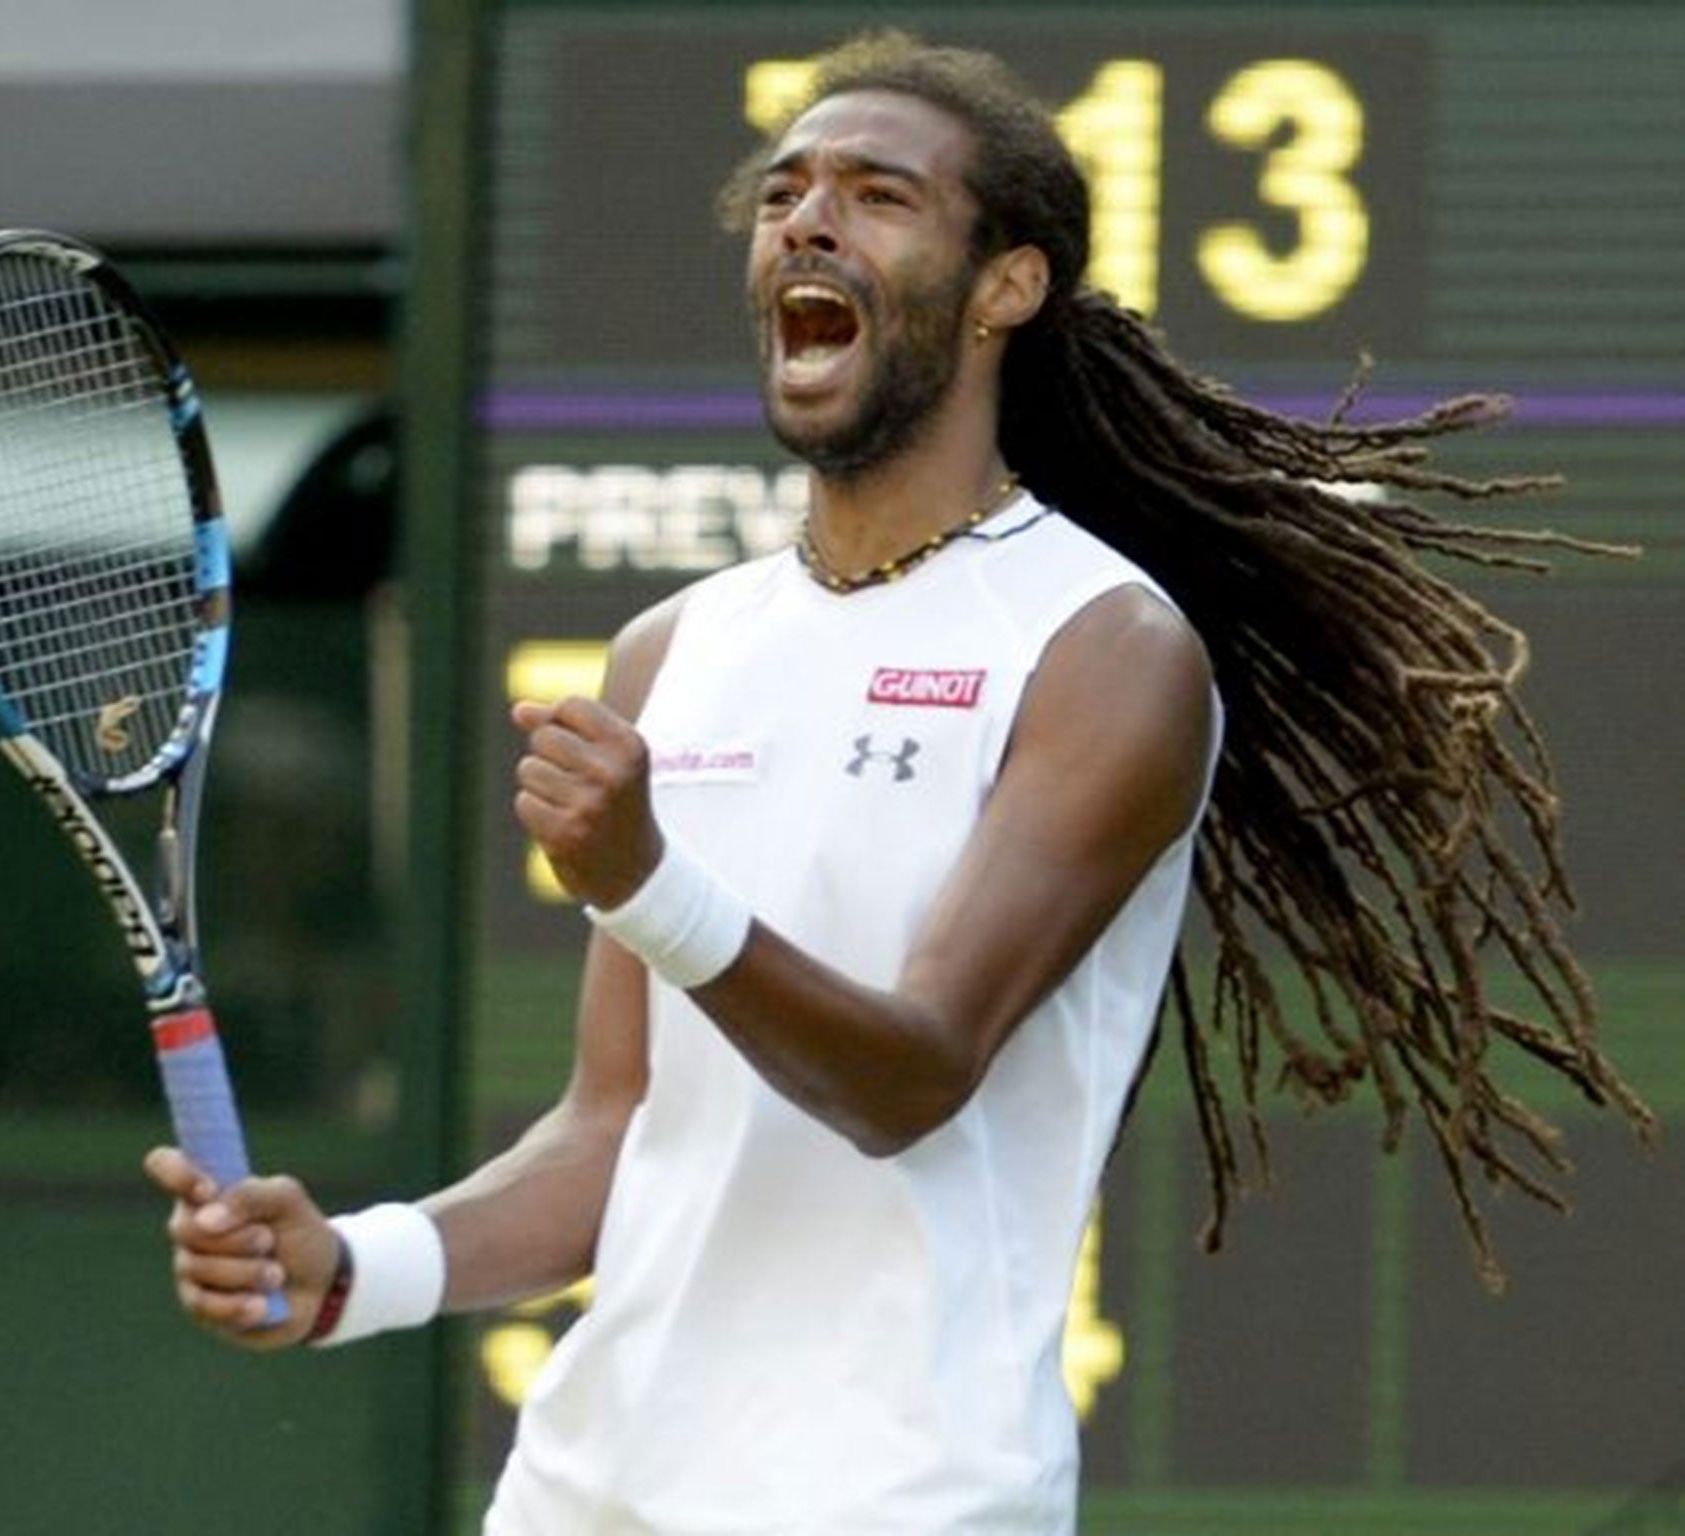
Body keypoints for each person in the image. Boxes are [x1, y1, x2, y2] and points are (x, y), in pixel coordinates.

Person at [146, 31, 1654, 1534]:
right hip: (583, 1495)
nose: (807, 221)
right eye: (786, 193)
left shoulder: (1104, 650)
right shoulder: (670, 650)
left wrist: (654, 883)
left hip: (897, 1501)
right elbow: (615, 1132)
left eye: (878, 196)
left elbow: (915, 1074)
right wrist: (356, 1267)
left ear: (1006, 286)